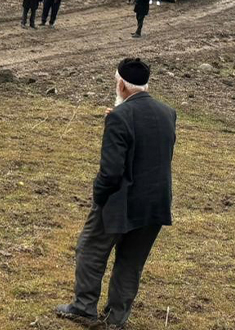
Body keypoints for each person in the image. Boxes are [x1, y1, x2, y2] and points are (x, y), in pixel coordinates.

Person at [55, 58, 176, 329]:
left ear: (121, 85)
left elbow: (111, 172)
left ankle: (84, 307)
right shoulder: (168, 113)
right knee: (131, 262)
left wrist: (99, 196)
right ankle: (116, 318)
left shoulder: (119, 117)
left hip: (120, 201)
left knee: (90, 250)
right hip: (155, 204)